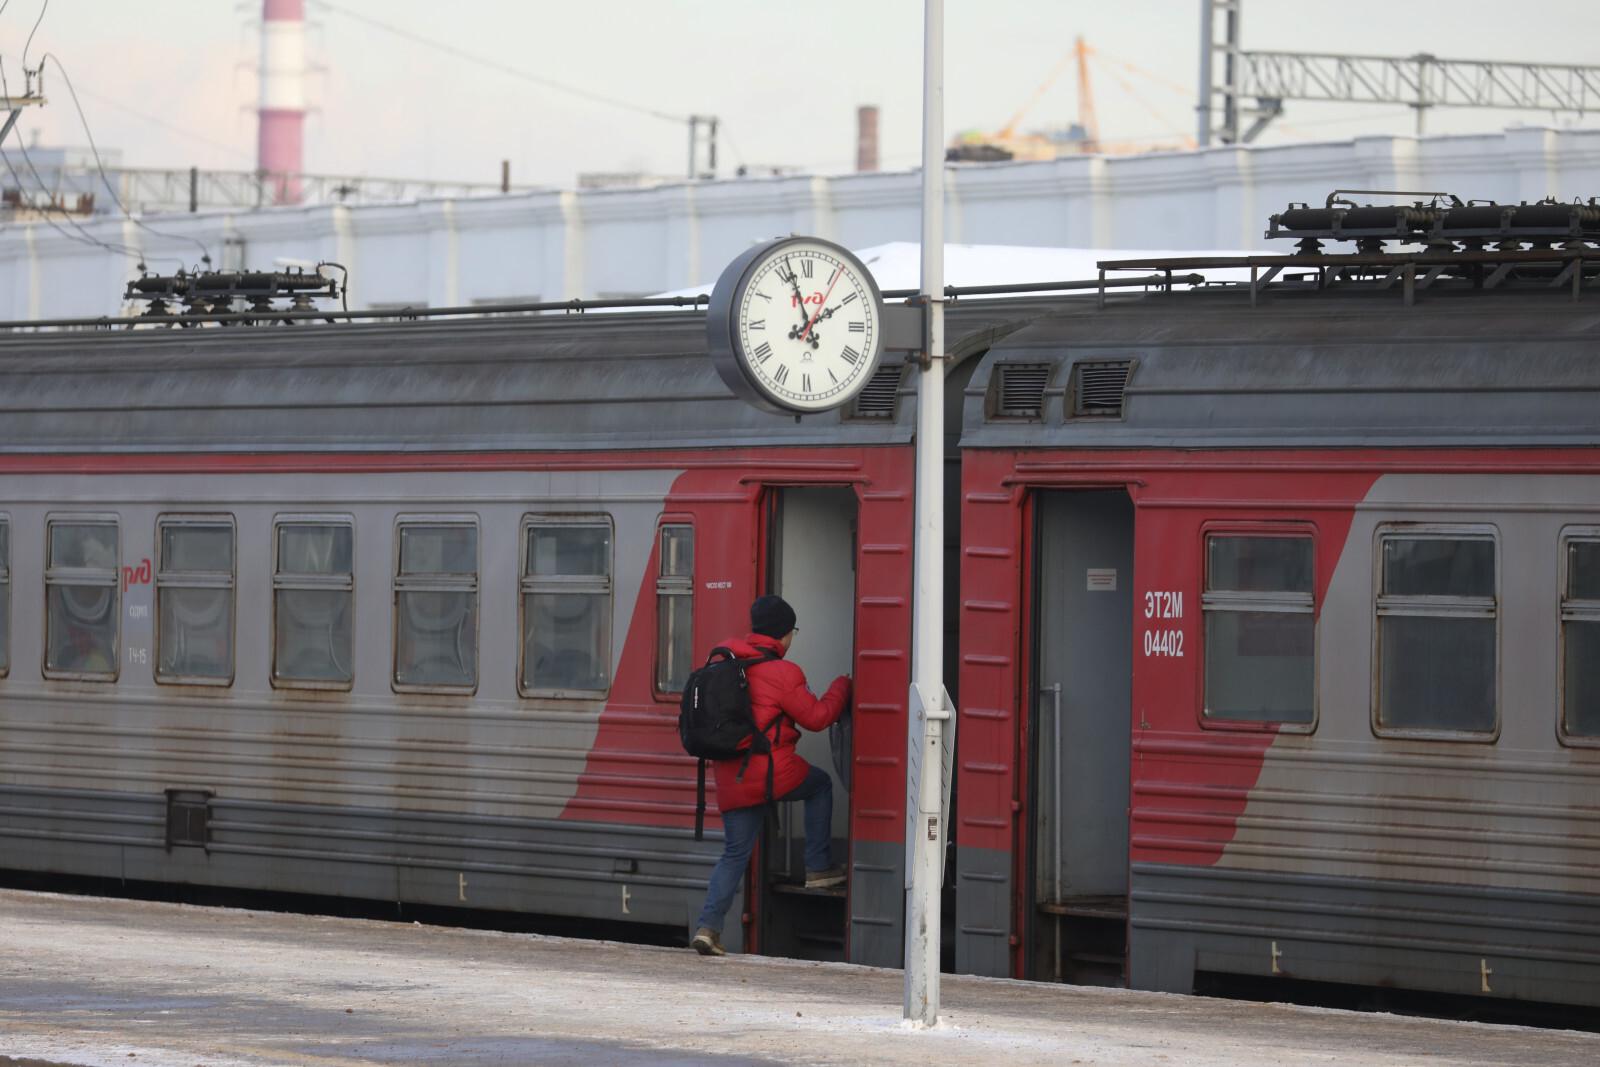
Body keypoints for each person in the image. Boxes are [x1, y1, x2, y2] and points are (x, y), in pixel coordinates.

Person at [691, 594, 851, 957]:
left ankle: (707, 928)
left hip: (732, 777)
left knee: (734, 854)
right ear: (784, 635)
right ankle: (818, 866)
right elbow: (817, 718)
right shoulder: (783, 672)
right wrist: (843, 686)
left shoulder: (726, 664)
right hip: (772, 773)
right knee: (820, 785)